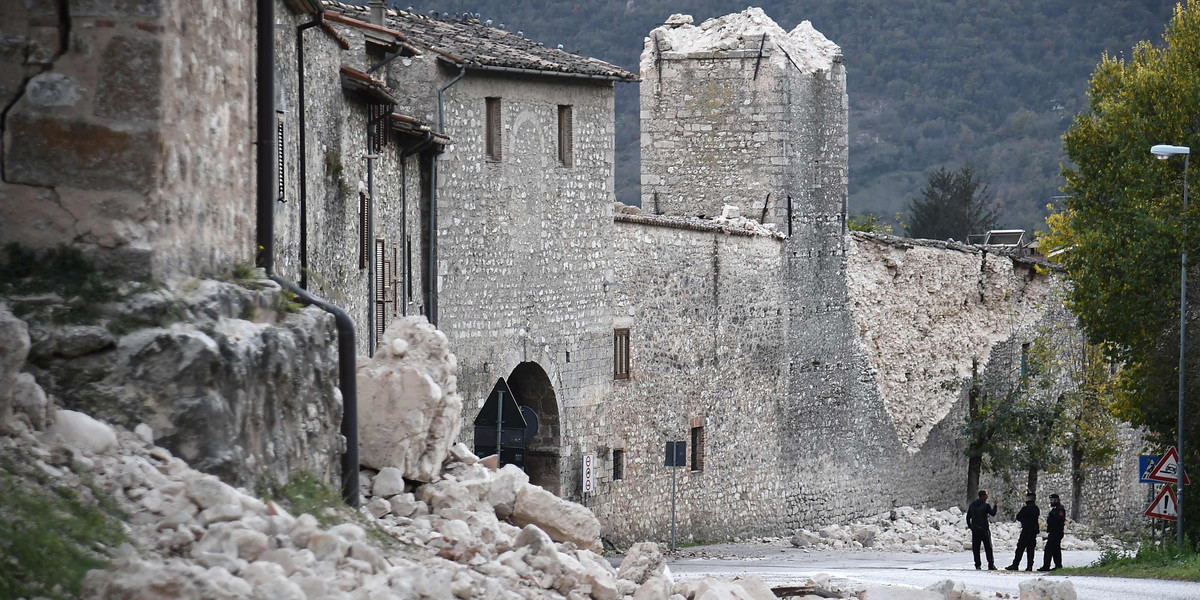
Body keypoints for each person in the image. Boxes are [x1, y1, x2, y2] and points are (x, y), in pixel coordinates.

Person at [1006, 492, 1040, 571]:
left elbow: (1018, 516)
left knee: (1020, 548)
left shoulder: (1026, 508)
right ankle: (1029, 566)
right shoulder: (1036, 508)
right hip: (1033, 531)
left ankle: (1015, 564)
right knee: (1030, 550)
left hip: (1026, 530)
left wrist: (1024, 521)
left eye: (1027, 498)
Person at [965, 489, 998, 570]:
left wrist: (971, 526)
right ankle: (991, 564)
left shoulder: (972, 505)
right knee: (988, 547)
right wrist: (995, 505)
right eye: (986, 494)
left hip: (975, 529)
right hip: (984, 529)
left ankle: (977, 564)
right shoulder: (986, 505)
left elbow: (968, 517)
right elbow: (992, 513)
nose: (987, 496)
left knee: (976, 548)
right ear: (983, 496)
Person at [1038, 493, 1066, 571]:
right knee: (1055, 549)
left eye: (1052, 500)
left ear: (1056, 500)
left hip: (1056, 532)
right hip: (1053, 532)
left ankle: (1047, 566)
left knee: (1049, 549)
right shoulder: (1055, 509)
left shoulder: (1059, 509)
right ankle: (1058, 565)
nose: (1051, 502)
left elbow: (1059, 520)